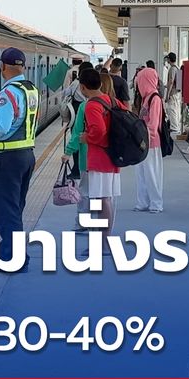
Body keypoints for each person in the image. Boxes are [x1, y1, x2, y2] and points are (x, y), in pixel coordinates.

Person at [0, 47, 39, 273]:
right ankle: (11, 253)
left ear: (3, 67)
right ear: (23, 66)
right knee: (15, 208)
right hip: (27, 156)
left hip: (8, 159)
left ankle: (14, 259)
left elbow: (0, 128)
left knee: (6, 211)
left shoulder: (8, 93)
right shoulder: (30, 90)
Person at [80, 67, 124, 251]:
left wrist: (86, 137)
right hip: (113, 157)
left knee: (101, 200)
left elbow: (99, 131)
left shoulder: (92, 105)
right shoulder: (112, 100)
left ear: (82, 87)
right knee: (106, 199)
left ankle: (103, 244)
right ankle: (104, 241)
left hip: (100, 159)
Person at [133, 68, 164, 213]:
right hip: (142, 142)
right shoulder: (146, 98)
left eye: (140, 81)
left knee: (152, 174)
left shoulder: (155, 99)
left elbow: (153, 124)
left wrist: (145, 139)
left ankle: (156, 203)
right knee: (141, 174)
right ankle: (142, 202)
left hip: (151, 143)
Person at [62, 62, 93, 178]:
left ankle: (76, 170)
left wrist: (67, 152)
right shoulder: (94, 85)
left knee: (76, 138)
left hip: (76, 115)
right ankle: (86, 166)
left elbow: (65, 94)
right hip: (90, 117)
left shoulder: (76, 83)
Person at [164, 53, 182, 134]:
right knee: (176, 109)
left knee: (172, 109)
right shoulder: (177, 67)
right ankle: (177, 126)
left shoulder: (172, 69)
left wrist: (167, 94)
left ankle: (174, 127)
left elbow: (171, 81)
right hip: (177, 92)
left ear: (169, 59)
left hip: (173, 92)